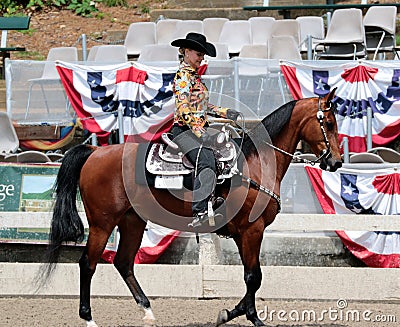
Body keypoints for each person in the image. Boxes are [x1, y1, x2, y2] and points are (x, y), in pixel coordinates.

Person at [170, 32, 240, 228]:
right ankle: (200, 210)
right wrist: (200, 133)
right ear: (187, 51)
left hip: (199, 128)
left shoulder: (195, 77)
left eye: (203, 55)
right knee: (206, 159)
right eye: (199, 54)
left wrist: (225, 112)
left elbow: (202, 106)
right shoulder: (183, 76)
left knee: (231, 145)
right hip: (184, 131)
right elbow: (183, 110)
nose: (202, 58)